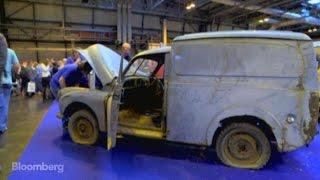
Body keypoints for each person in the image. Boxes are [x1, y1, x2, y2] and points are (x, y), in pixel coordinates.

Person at [0, 48, 20, 134]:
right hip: (6, 81)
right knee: (4, 105)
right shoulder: (10, 51)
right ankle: (1, 126)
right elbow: (17, 66)